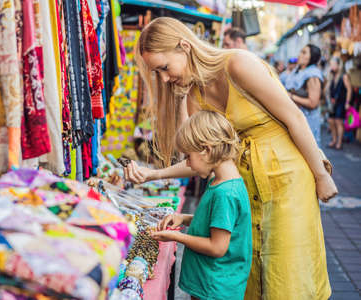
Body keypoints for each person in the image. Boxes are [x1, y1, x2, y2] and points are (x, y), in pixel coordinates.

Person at [126, 17, 337, 299]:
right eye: (158, 73)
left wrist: (320, 175)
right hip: (246, 188)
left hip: (286, 181)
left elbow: (294, 117)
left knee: (288, 276)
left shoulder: (237, 64)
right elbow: (197, 156)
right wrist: (151, 174)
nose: (164, 78)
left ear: (184, 46)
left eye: (164, 68)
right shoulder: (193, 96)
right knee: (250, 277)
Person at [152, 111, 252, 300]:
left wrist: (177, 237)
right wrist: (183, 218)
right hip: (209, 285)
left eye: (188, 157)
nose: (188, 164)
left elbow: (217, 247)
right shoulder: (220, 182)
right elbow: (215, 224)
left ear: (206, 150)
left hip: (214, 289)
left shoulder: (225, 193)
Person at [285, 44, 324, 146]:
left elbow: (313, 103)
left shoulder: (313, 75)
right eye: (300, 52)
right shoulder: (297, 70)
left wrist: (291, 97)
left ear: (312, 57)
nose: (300, 55)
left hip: (307, 121)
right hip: (294, 119)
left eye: (304, 52)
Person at [326, 56, 352, 150]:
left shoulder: (344, 76)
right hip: (333, 102)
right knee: (331, 121)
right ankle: (334, 139)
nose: (331, 66)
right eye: (331, 64)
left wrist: (347, 102)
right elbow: (327, 89)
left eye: (333, 64)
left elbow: (349, 90)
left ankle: (339, 142)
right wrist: (329, 75)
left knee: (338, 121)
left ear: (338, 65)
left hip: (341, 102)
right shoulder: (332, 76)